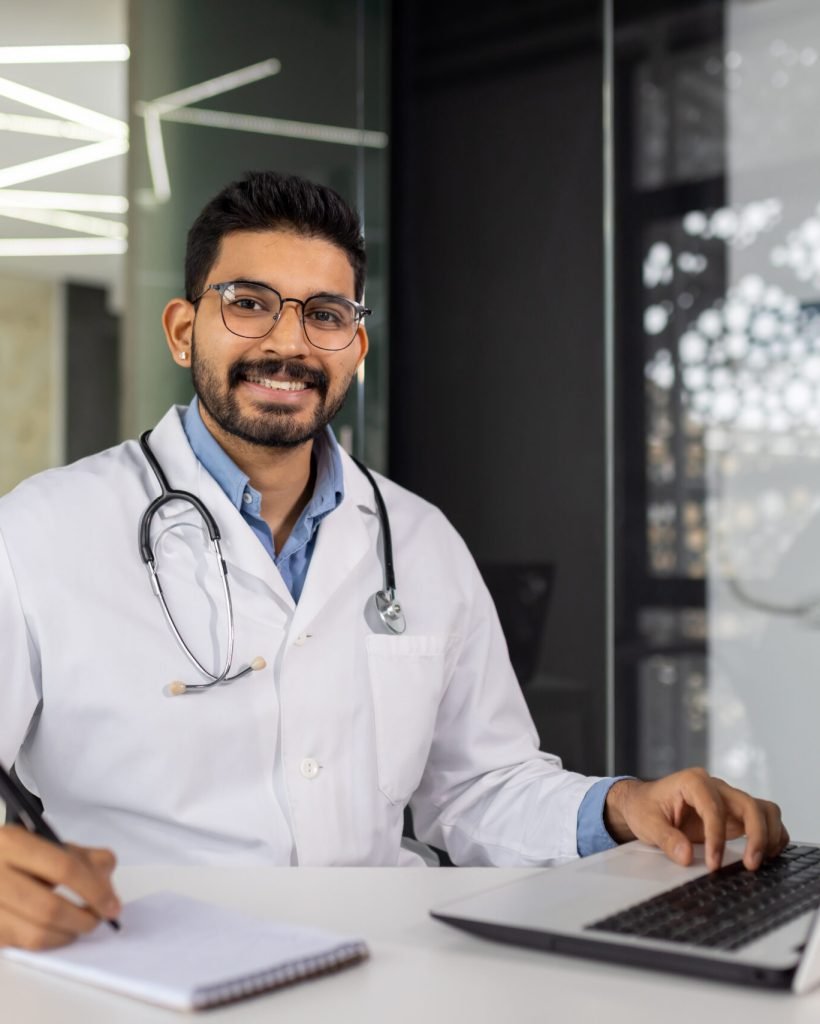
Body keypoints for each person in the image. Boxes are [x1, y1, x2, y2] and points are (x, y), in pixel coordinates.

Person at [0, 171, 787, 951]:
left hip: (380, 966)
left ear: (356, 346)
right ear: (181, 329)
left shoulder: (419, 539)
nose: (289, 342)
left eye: (326, 314)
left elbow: (481, 787)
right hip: (134, 963)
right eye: (248, 303)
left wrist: (624, 806)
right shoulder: (41, 531)